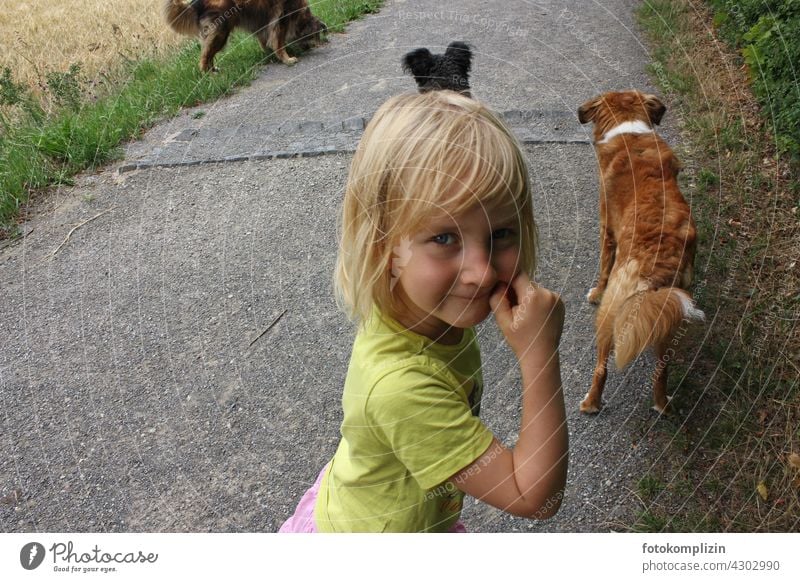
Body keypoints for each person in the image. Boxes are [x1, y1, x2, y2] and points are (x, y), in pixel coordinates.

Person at [280, 90, 568, 533]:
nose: (482, 271)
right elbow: (533, 495)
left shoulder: (420, 305)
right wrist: (539, 356)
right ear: (384, 247)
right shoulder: (401, 386)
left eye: (502, 232)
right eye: (444, 238)